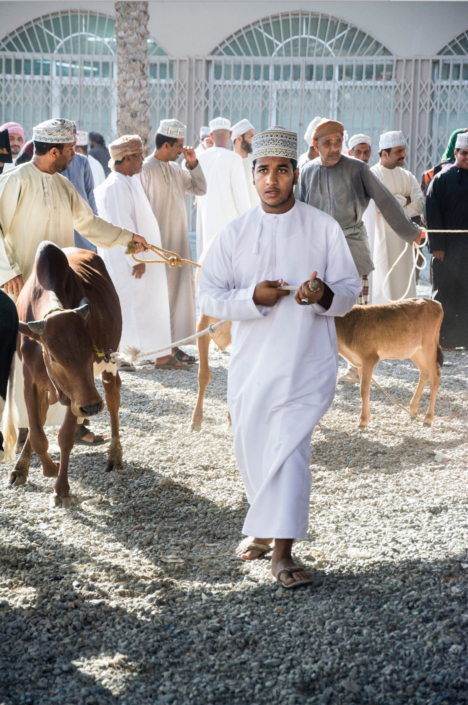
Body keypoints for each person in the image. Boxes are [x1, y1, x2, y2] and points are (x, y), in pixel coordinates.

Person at [198, 126, 361, 588]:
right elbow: (209, 296)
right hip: (252, 365)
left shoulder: (322, 228)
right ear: (253, 176)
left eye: (282, 171)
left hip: (305, 362)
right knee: (250, 445)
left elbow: (349, 293)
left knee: (289, 449)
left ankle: (284, 551)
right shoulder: (234, 233)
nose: (273, 180)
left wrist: (322, 293)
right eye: (265, 171)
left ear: (295, 175)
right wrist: (253, 297)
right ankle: (265, 527)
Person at [0, 118, 150, 445]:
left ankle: (71, 423)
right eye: (70, 149)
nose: (75, 154)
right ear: (54, 151)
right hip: (19, 285)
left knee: (65, 354)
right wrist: (6, 270)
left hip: (58, 287)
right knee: (21, 360)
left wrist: (128, 239)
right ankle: (25, 431)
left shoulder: (63, 185)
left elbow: (90, 225)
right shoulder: (13, 180)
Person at [297, 119, 420, 310]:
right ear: (316, 145)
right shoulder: (307, 172)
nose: (334, 148)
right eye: (328, 144)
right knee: (321, 307)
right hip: (318, 252)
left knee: (356, 314)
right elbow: (299, 214)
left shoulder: (358, 169)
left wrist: (410, 233)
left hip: (352, 249)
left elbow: (386, 202)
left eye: (338, 142)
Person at [95, 135, 173, 369]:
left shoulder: (128, 180)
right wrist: (134, 259)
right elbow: (122, 225)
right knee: (127, 307)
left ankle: (150, 353)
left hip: (138, 258)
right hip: (125, 261)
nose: (142, 160)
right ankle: (124, 356)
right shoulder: (116, 185)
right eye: (139, 156)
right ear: (127, 158)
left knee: (144, 305)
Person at [140, 118, 206, 366]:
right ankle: (153, 351)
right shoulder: (145, 169)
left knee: (177, 295)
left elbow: (200, 188)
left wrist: (192, 163)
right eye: (179, 146)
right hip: (156, 245)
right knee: (157, 296)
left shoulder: (178, 169)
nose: (182, 149)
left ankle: (172, 346)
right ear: (166, 145)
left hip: (178, 243)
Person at [371, 131, 424, 304]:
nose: (404, 155)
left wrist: (394, 205)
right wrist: (402, 200)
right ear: (384, 154)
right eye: (399, 151)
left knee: (405, 287)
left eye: (403, 150)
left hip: (404, 240)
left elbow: (419, 204)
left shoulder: (407, 176)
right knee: (382, 288)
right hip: (381, 239)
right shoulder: (373, 175)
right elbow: (378, 206)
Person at [426, 132, 468, 349]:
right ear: (456, 153)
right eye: (464, 153)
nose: (467, 157)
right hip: (448, 249)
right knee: (445, 292)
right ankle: (443, 340)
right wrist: (437, 247)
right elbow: (432, 213)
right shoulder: (441, 179)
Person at [196, 117, 250, 258]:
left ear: (211, 136)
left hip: (207, 225)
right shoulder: (234, 159)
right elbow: (241, 198)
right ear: (230, 135)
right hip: (229, 228)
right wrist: (249, 223)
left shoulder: (200, 158)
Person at [62, 124, 99, 251]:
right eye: (69, 134)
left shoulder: (83, 161)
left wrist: (96, 227)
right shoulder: (52, 162)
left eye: (74, 134)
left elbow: (90, 195)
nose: (74, 138)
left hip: (84, 233)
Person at [231, 118, 260, 207]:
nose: (254, 140)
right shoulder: (229, 162)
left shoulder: (256, 161)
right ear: (239, 138)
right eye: (251, 136)